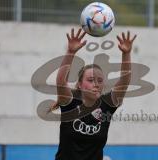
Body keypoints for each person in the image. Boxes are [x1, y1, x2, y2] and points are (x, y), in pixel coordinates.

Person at [51, 28, 136, 160]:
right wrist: (71, 52)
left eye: (100, 81)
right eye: (90, 80)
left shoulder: (106, 105)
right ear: (79, 84)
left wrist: (126, 53)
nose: (96, 84)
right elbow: (61, 82)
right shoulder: (70, 103)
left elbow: (124, 80)